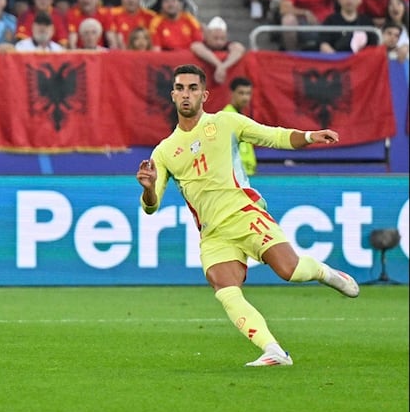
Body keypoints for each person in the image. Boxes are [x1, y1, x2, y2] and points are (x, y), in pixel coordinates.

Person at [136, 64, 359, 367]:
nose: (185, 94)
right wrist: (149, 188)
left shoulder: (226, 122)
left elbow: (272, 136)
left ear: (205, 94)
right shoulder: (163, 151)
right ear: (173, 94)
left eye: (192, 88)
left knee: (290, 271)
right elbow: (151, 206)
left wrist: (308, 135)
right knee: (225, 288)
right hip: (213, 233)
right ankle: (273, 350)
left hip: (245, 213)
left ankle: (326, 273)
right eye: (180, 88)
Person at [221, 76, 258, 176]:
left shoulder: (242, 117)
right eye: (241, 93)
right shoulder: (226, 117)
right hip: (235, 178)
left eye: (248, 93)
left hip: (246, 175)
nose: (245, 98)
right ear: (231, 93)